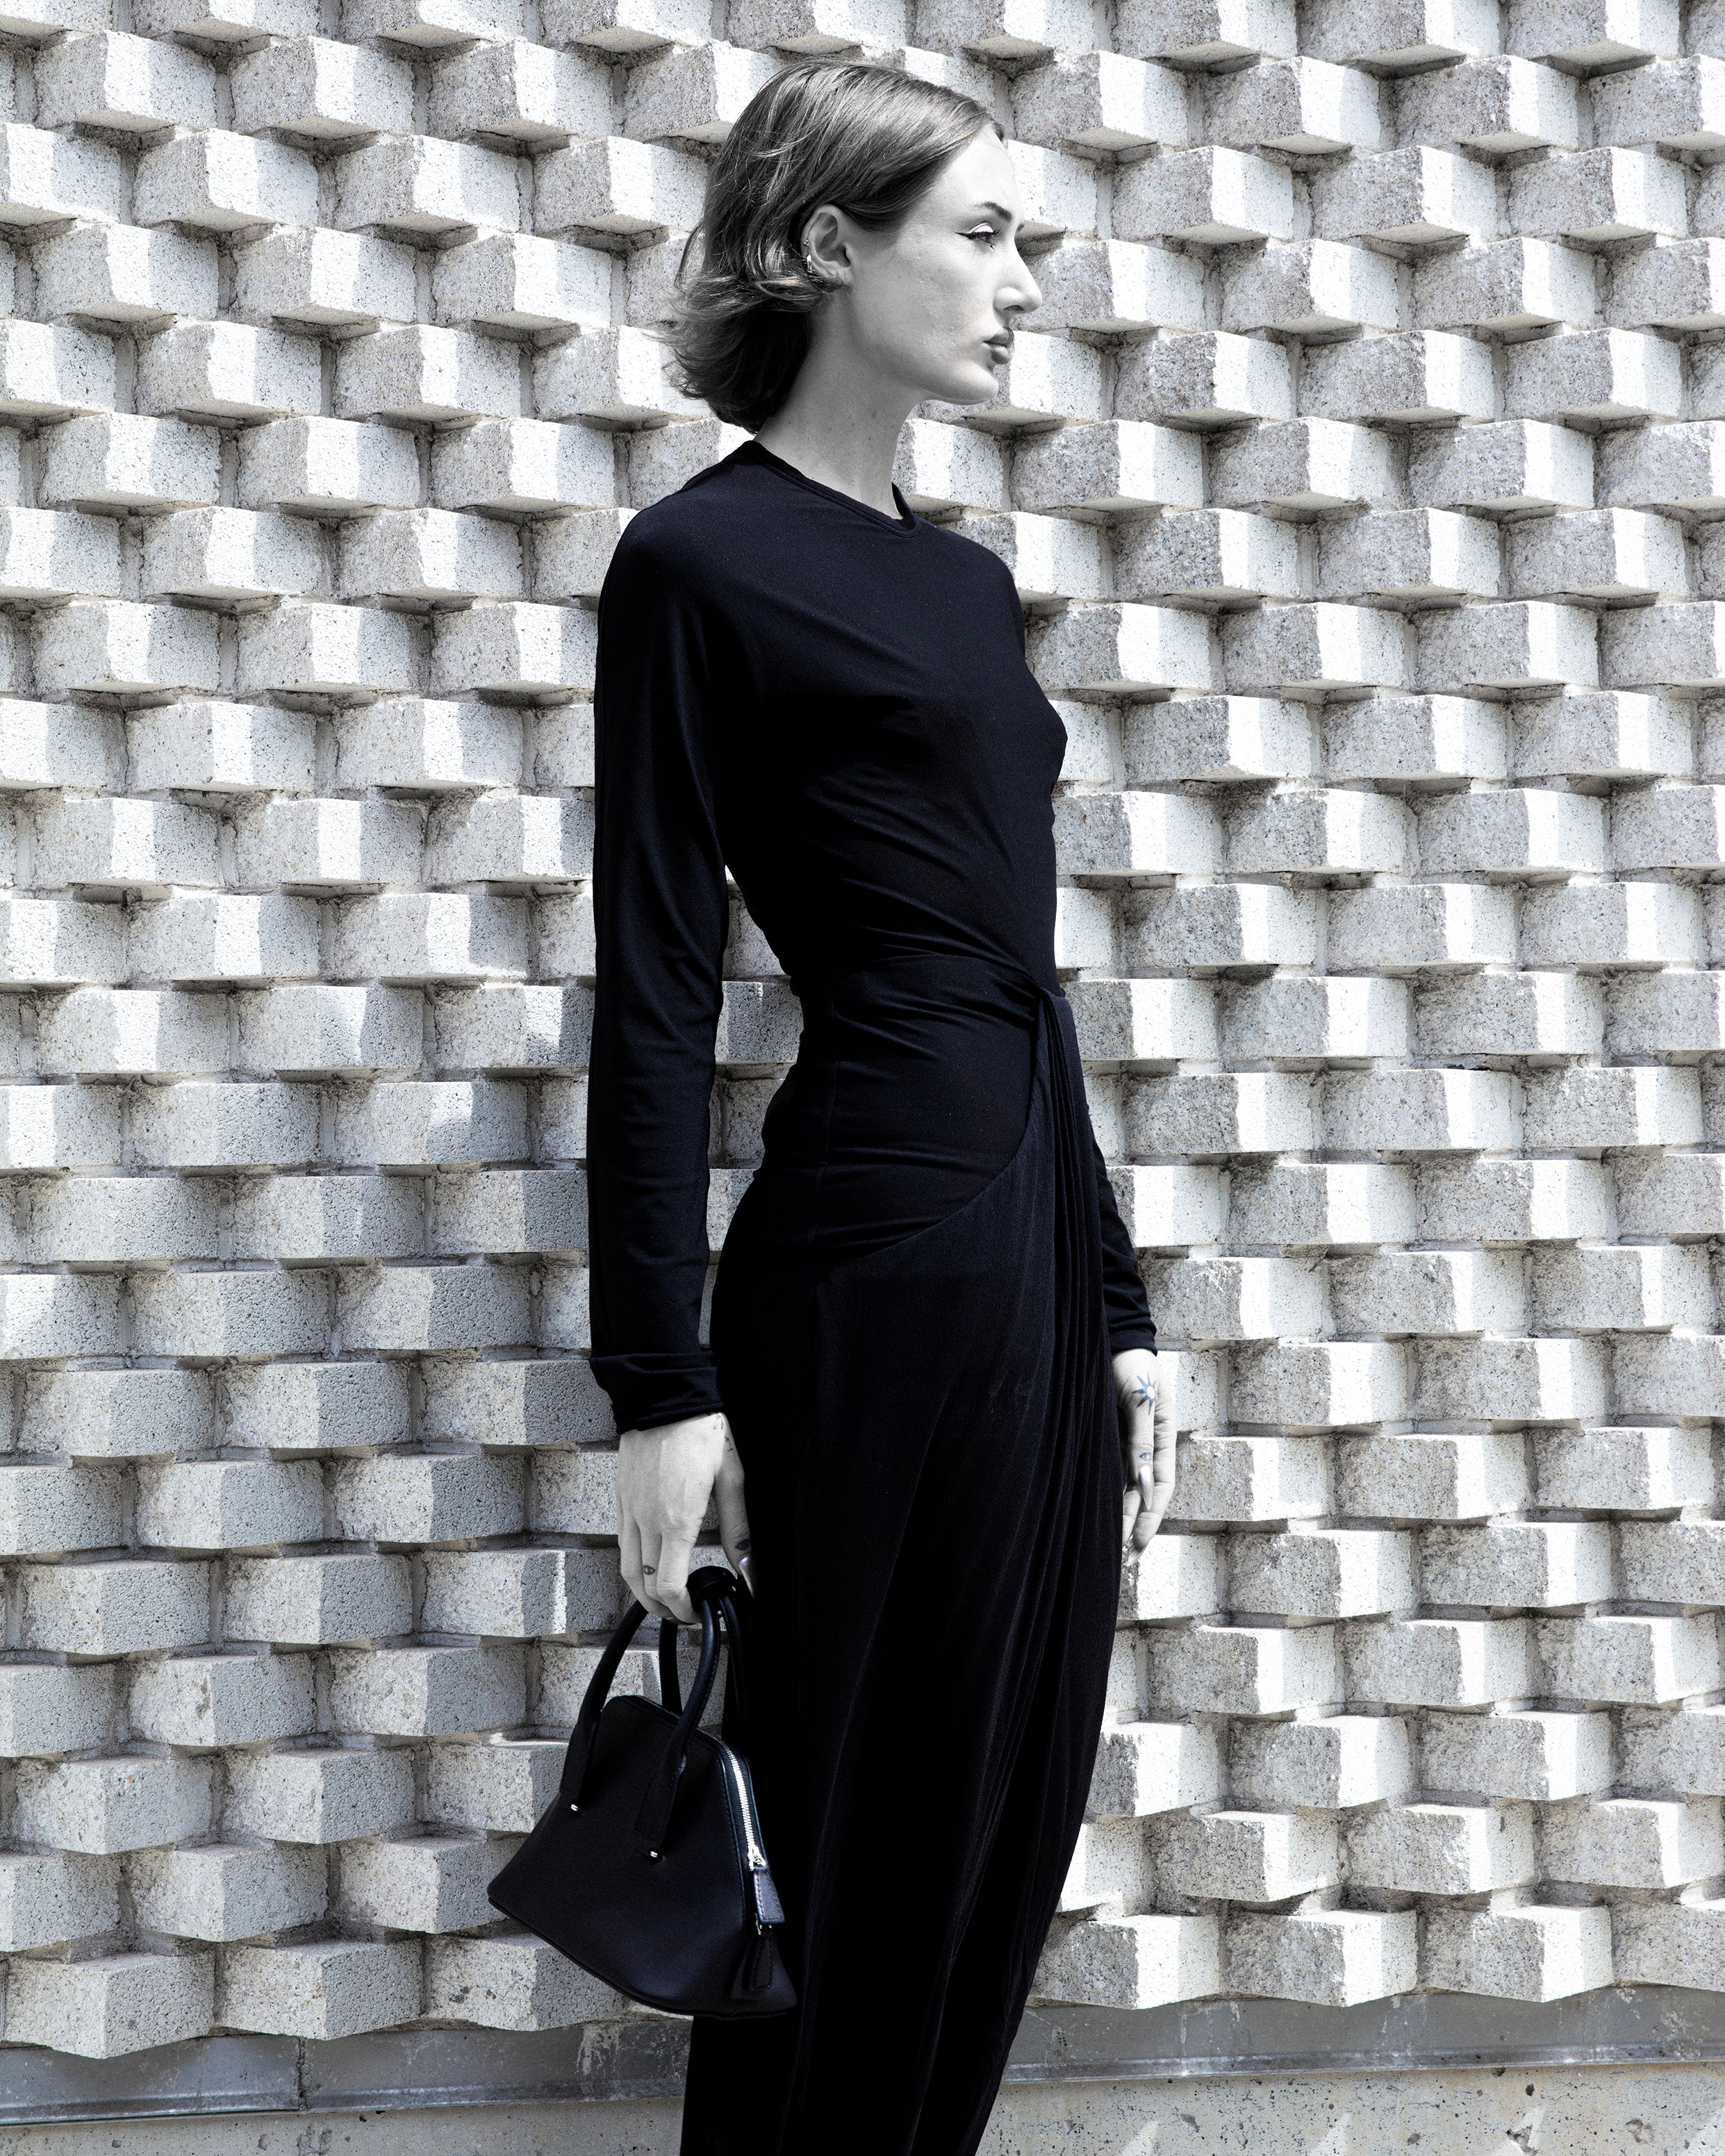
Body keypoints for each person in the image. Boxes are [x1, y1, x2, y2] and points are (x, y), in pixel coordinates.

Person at [584, 56, 1179, 2156]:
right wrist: (658, 1386)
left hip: (1021, 1253)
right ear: (827, 245)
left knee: (997, 1814)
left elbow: (1025, 975)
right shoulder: (694, 561)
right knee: (827, 1835)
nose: (1027, 280)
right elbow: (657, 985)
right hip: (861, 1255)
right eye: (987, 233)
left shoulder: (963, 578)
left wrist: (1110, 1300)